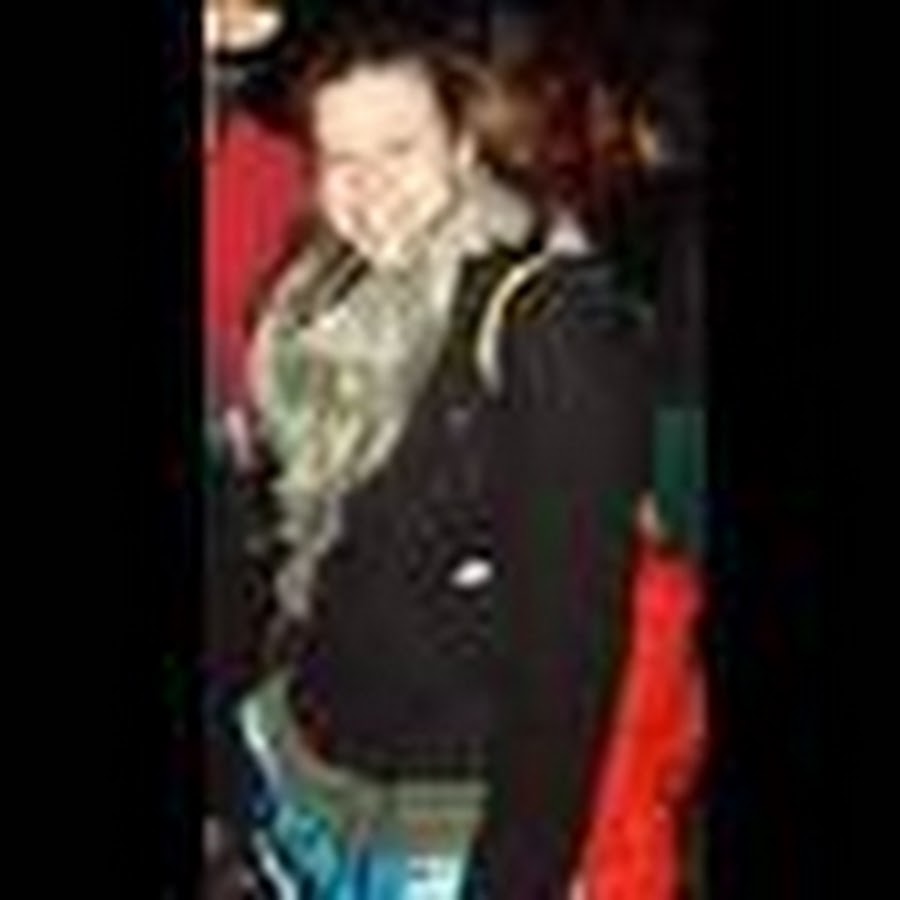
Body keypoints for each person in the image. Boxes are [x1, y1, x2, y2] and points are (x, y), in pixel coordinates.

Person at [237, 15, 654, 898]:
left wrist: (519, 879)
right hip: (305, 786)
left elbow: (573, 657)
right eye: (342, 159)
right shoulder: (321, 304)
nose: (370, 188)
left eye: (400, 147)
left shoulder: (545, 321)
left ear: (462, 147)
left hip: (436, 835)